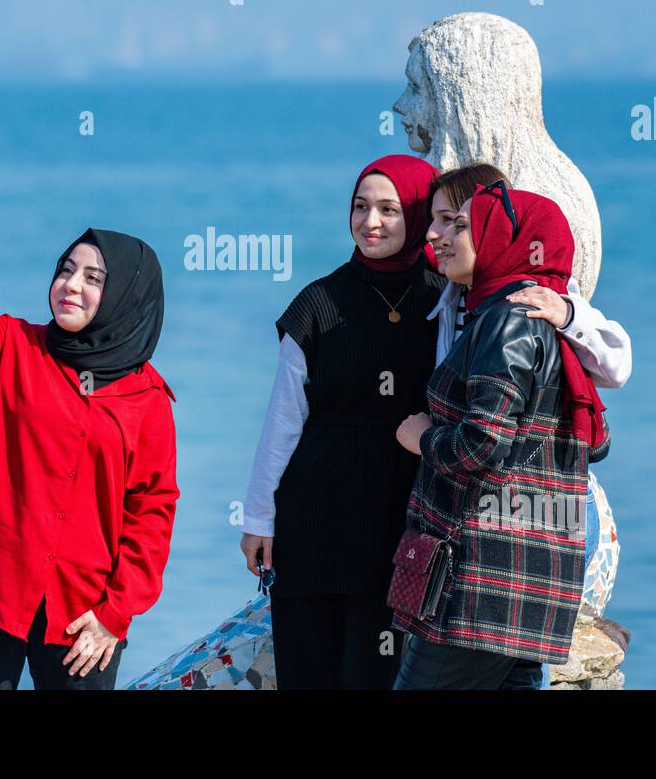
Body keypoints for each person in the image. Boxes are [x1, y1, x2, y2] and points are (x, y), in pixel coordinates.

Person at [0, 185, 179, 690]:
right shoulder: (10, 348)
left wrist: (115, 614)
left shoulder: (149, 400)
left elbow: (151, 511)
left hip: (82, 617)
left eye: (93, 278)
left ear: (126, 297)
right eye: (65, 270)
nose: (70, 285)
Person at [420, 162, 631, 689]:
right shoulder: (473, 303)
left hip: (490, 565)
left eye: (460, 222)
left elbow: (482, 442)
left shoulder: (521, 311)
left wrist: (418, 436)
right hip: (529, 557)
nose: (436, 235)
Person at [240, 154, 446, 689]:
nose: (369, 222)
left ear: (421, 215)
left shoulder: (444, 300)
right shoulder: (318, 303)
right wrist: (259, 519)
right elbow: (282, 420)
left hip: (404, 516)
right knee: (310, 670)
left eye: (389, 209)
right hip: (317, 517)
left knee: (379, 670)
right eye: (360, 207)